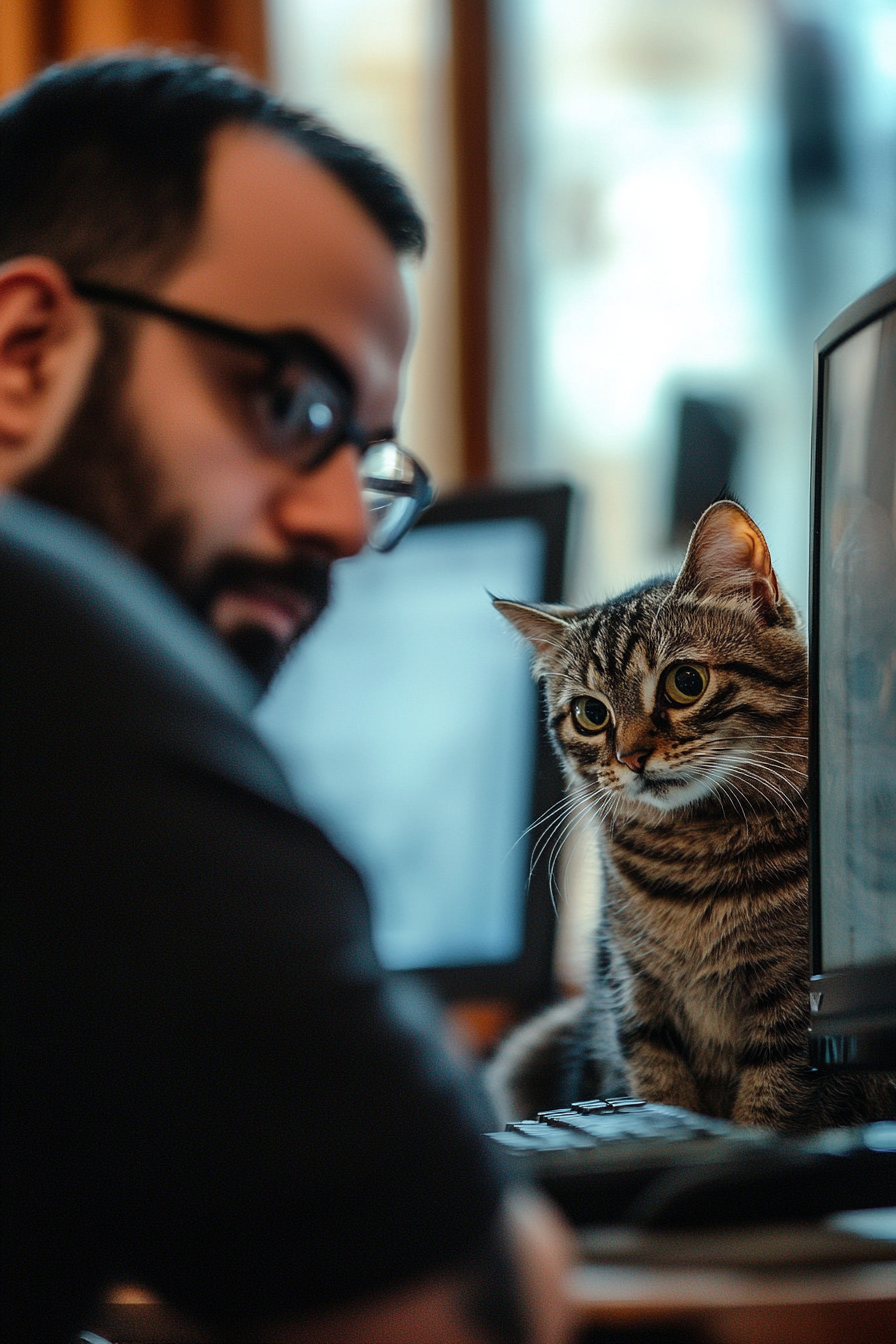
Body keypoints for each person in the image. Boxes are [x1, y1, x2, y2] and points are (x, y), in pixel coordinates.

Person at [0, 54, 572, 1344]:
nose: (341, 527)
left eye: (367, 459)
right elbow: (455, 1314)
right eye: (286, 400)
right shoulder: (46, 648)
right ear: (27, 351)